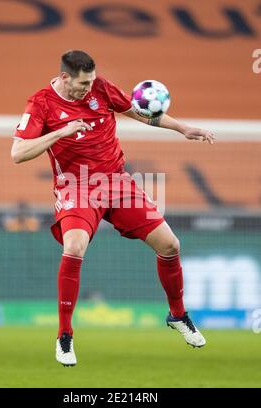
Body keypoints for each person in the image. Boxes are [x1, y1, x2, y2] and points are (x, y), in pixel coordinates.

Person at [11, 50, 215, 367]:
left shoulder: (101, 88)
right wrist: (60, 132)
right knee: (74, 246)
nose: (87, 89)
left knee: (171, 244)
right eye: (81, 84)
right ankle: (64, 335)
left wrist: (183, 128)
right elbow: (18, 153)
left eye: (90, 82)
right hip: (76, 186)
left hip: (116, 182)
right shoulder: (40, 103)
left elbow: (139, 112)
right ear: (64, 78)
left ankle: (178, 315)